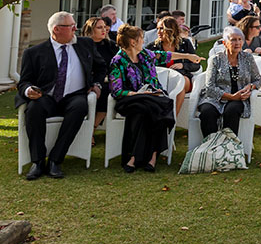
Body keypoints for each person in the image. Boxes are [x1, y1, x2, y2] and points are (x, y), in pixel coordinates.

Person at [15, 11, 106, 180]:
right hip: (46, 96)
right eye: (71, 26)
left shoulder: (85, 44)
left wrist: (97, 84)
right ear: (56, 29)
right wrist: (29, 91)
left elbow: (101, 67)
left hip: (74, 95)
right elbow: (24, 82)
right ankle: (38, 161)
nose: (75, 29)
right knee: (34, 109)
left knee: (80, 107)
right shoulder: (34, 53)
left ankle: (56, 160)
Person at [109, 24, 200, 173]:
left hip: (152, 97)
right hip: (131, 100)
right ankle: (151, 156)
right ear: (133, 42)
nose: (143, 42)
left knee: (154, 107)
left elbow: (165, 56)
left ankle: (136, 157)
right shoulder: (118, 61)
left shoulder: (145, 54)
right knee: (154, 109)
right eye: (141, 39)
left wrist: (188, 56)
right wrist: (139, 94)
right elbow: (117, 91)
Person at [196, 26, 261, 141]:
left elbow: (258, 80)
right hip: (214, 98)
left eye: (239, 39)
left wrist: (250, 86)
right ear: (224, 43)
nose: (237, 43)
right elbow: (209, 87)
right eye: (233, 40)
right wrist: (231, 96)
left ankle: (228, 147)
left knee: (231, 111)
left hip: (239, 98)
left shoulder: (248, 58)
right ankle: (210, 146)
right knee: (207, 112)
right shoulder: (215, 59)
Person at [147, 16, 201, 117]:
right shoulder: (153, 47)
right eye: (157, 29)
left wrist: (183, 65)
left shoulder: (185, 44)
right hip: (161, 79)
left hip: (183, 77)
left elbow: (196, 65)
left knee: (180, 84)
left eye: (161, 28)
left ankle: (172, 117)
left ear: (171, 30)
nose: (158, 32)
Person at [82, 15, 119, 128]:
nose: (104, 30)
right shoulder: (82, 46)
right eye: (99, 27)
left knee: (108, 92)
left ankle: (92, 128)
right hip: (86, 81)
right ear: (90, 30)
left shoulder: (110, 45)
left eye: (104, 27)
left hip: (107, 80)